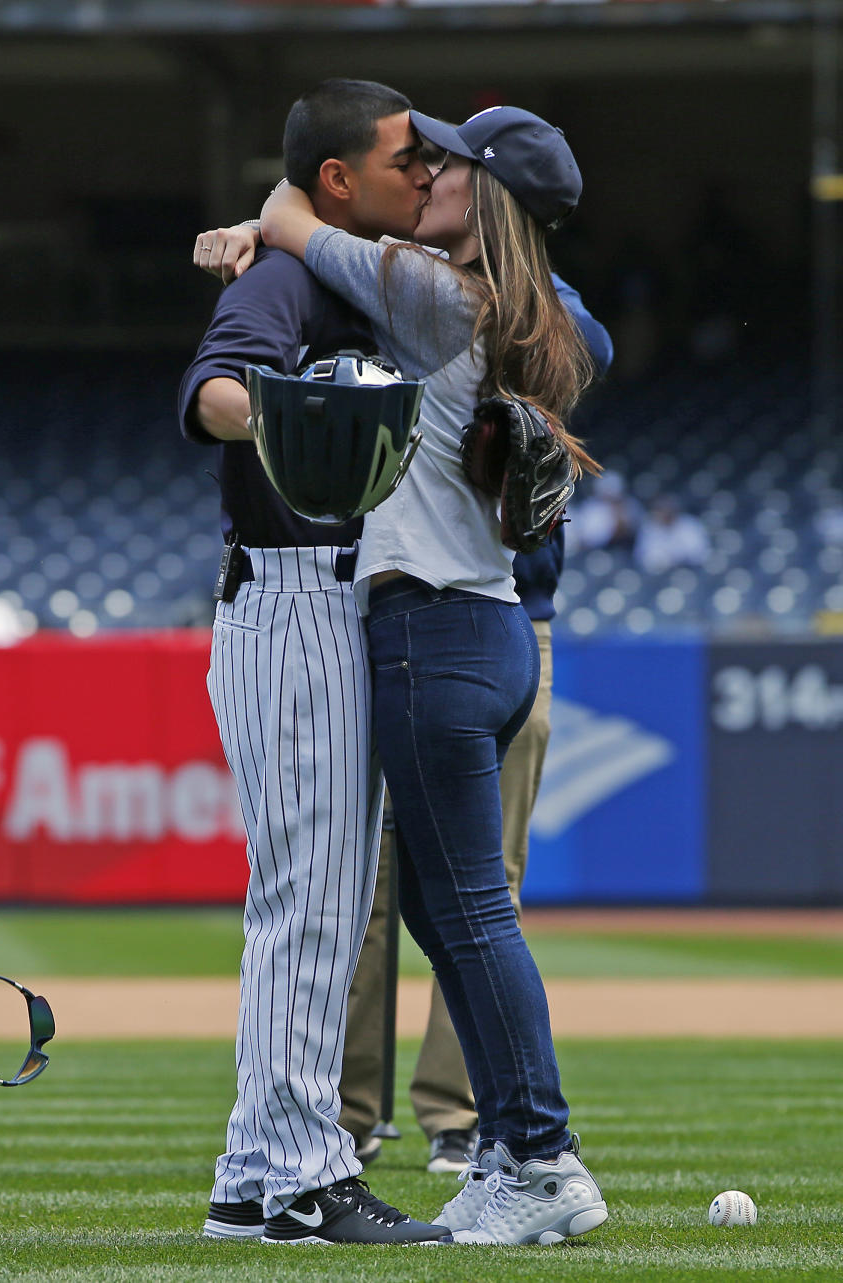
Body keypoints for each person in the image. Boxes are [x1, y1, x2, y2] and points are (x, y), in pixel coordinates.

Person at [257, 104, 608, 1245]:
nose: (427, 172)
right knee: (442, 900)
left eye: (446, 162)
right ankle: (508, 1142)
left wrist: (246, 227)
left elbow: (288, 216)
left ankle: (543, 1153)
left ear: (483, 193)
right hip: (493, 630)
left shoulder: (438, 291)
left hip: (434, 632)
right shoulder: (533, 314)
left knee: (464, 905)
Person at [177, 78, 450, 1247]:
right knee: (316, 904)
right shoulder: (290, 274)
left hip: (325, 601)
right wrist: (285, 412)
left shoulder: (339, 258)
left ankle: (254, 1173)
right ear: (338, 180)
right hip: (295, 597)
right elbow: (210, 390)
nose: (424, 172)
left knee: (311, 903)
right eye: (404, 158)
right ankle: (302, 1178)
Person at [339, 298, 613, 1176]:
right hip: (391, 609)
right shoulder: (402, 287)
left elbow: (587, 345)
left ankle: (465, 1119)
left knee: (481, 883)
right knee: (374, 886)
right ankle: (347, 1112)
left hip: (502, 613)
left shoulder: (526, 302)